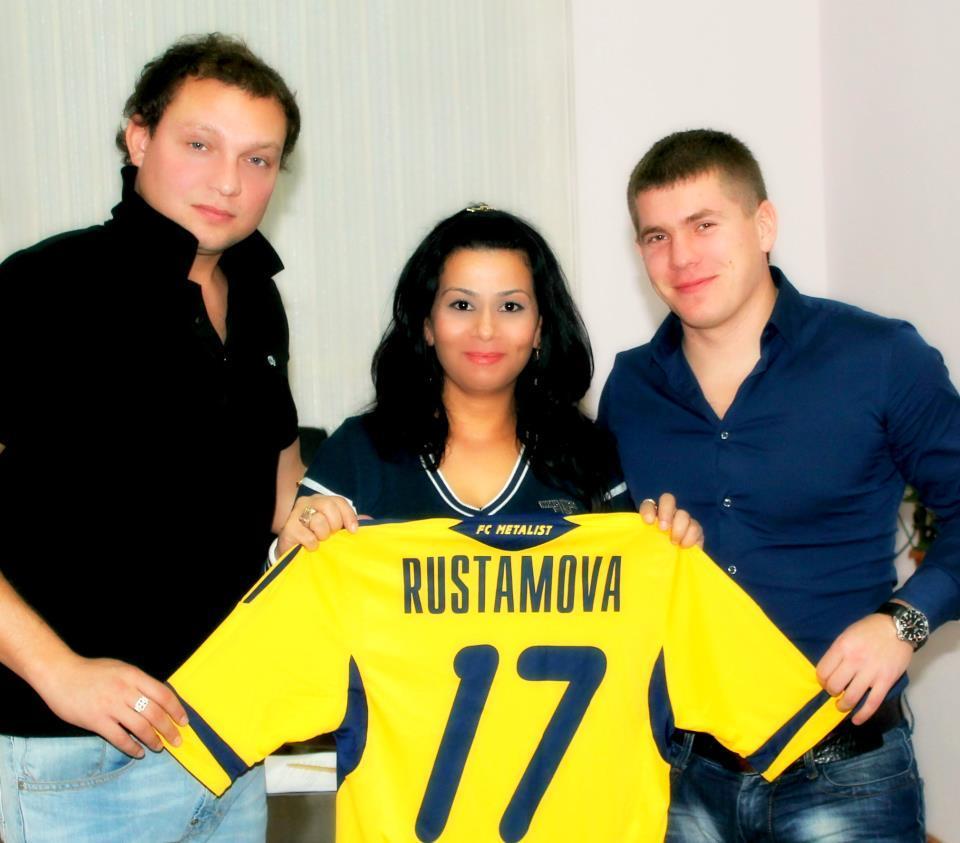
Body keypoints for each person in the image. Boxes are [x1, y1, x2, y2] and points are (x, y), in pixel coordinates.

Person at [599, 128, 960, 841]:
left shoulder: (881, 356)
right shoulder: (629, 386)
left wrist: (905, 622)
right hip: (676, 774)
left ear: (763, 225)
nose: (681, 257)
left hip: (846, 772)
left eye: (704, 225)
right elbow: (605, 561)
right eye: (657, 236)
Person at [0, 34, 304, 842]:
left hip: (227, 742)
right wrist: (59, 673)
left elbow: (279, 483)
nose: (229, 181)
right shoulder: (42, 287)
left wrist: (304, 513)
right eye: (200, 144)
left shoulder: (259, 299)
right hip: (74, 758)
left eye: (259, 159)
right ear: (139, 137)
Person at [276, 205, 701, 558]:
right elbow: (280, 613)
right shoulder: (357, 452)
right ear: (427, 324)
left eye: (511, 307)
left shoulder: (590, 458)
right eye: (462, 305)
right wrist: (287, 551)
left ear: (539, 329)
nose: (485, 329)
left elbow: (630, 607)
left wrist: (668, 554)